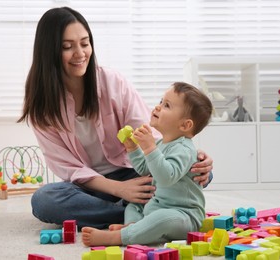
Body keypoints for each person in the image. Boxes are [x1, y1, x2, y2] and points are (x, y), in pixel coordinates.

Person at [17, 7, 213, 230]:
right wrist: (119, 189)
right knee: (44, 200)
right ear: (49, 51)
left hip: (136, 170)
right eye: (67, 47)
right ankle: (140, 215)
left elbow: (151, 133)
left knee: (196, 168)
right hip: (91, 186)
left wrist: (188, 153)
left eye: (85, 42)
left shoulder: (112, 82)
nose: (80, 53)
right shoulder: (42, 108)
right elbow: (70, 169)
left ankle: (140, 212)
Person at [81, 82, 213, 246]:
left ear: (185, 125)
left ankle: (118, 237)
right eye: (160, 101)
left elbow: (166, 177)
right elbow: (144, 169)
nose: (158, 107)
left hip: (183, 215)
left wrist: (150, 148)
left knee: (163, 219)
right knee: (134, 205)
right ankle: (133, 227)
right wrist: (133, 148)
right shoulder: (162, 144)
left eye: (167, 105)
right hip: (157, 205)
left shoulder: (184, 149)